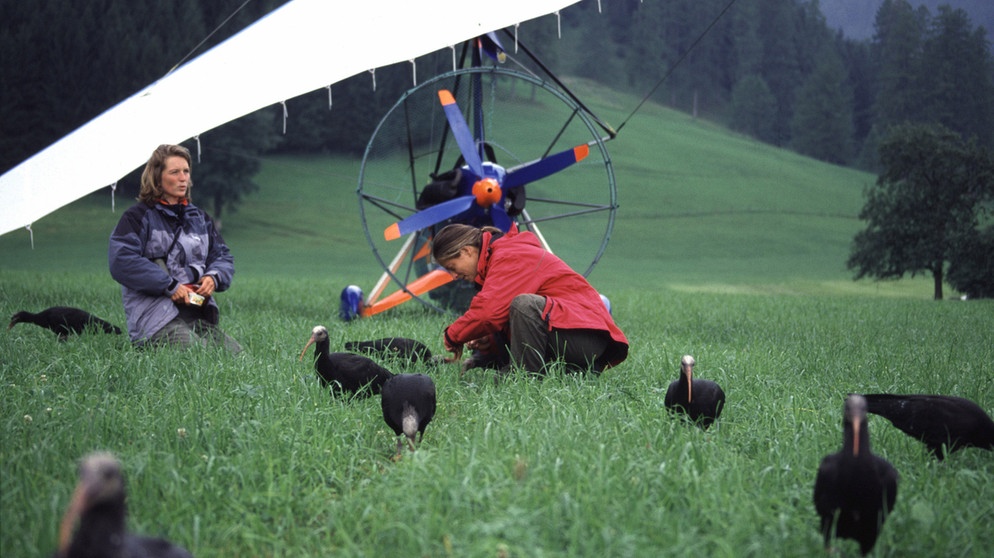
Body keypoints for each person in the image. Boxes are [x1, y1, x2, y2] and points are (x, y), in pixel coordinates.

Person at [432, 223, 628, 376]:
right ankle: (572, 372)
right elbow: (504, 319)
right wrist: (488, 342)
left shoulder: (509, 255)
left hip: (589, 340)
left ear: (467, 251)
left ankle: (524, 377)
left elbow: (487, 314)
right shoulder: (500, 257)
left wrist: (453, 335)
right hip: (577, 336)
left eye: (452, 266)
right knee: (513, 308)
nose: (454, 275)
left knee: (523, 305)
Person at [109, 144, 241, 353]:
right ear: (157, 177)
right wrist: (169, 285)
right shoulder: (137, 217)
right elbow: (121, 260)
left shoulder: (200, 218)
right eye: (174, 172)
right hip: (154, 319)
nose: (183, 178)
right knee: (202, 357)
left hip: (195, 314)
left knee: (238, 358)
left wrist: (213, 277)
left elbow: (222, 256)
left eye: (186, 171)